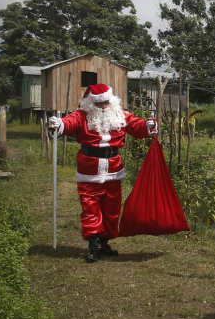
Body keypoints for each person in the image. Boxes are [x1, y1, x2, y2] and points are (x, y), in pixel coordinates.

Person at [49, 83, 158, 263]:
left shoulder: (119, 114)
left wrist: (147, 126)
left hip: (114, 169)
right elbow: (69, 122)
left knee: (111, 208)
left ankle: (104, 242)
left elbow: (135, 125)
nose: (103, 106)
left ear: (111, 101)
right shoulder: (82, 115)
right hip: (89, 169)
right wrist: (59, 124)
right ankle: (94, 245)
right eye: (99, 104)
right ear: (91, 104)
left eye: (106, 103)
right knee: (90, 207)